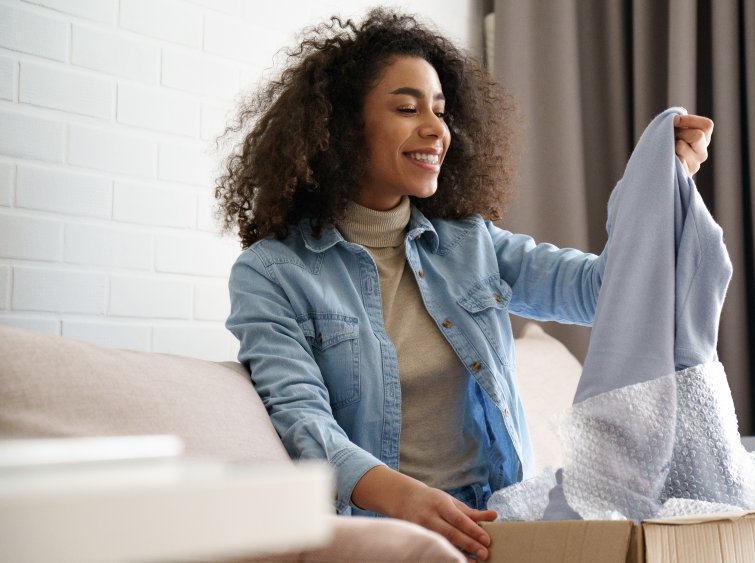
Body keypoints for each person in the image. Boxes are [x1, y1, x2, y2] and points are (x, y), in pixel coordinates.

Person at [216, 9, 713, 560]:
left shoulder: (471, 244)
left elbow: (603, 293)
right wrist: (408, 500)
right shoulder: (272, 274)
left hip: (505, 522)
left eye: (441, 110)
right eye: (407, 108)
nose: (436, 129)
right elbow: (302, 421)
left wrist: (656, 185)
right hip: (387, 533)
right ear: (340, 128)